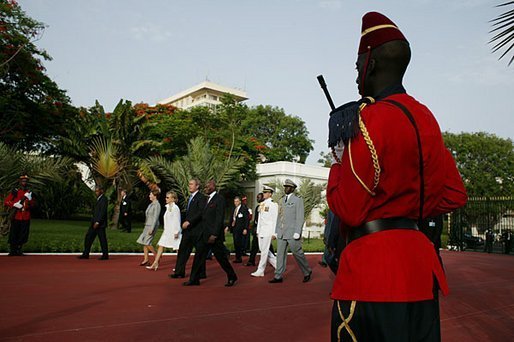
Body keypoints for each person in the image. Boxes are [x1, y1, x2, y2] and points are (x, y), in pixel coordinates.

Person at [326, 12, 467, 341]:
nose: (357, 73)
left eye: (358, 64)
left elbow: (349, 208)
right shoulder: (425, 117)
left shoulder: (369, 119)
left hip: (372, 271)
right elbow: (454, 195)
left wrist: (338, 164)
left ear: (370, 63)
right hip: (420, 268)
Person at [184, 179, 238, 287]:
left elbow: (219, 218)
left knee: (221, 258)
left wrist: (214, 234)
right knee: (198, 256)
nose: (205, 188)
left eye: (207, 186)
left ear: (213, 186)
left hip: (214, 236)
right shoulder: (206, 199)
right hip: (204, 234)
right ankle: (194, 279)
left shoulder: (219, 199)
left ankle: (232, 276)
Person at [270, 179, 312, 283]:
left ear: (293, 188)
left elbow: (300, 217)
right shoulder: (282, 200)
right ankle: (278, 276)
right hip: (281, 232)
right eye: (285, 186)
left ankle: (307, 271)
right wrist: (276, 231)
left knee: (297, 253)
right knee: (280, 254)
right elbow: (279, 217)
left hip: (292, 232)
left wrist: (298, 231)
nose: (285, 189)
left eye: (288, 187)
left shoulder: (297, 200)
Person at [170, 179, 206, 279]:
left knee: (200, 253)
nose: (189, 186)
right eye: (189, 184)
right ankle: (179, 272)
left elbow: (200, 212)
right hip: (188, 231)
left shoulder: (201, 198)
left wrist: (190, 221)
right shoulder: (190, 198)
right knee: (183, 251)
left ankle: (201, 273)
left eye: (191, 184)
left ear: (197, 186)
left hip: (197, 230)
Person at [147, 191, 181, 271]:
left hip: (174, 232)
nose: (166, 199)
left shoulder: (175, 208)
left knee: (177, 249)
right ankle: (155, 263)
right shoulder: (168, 207)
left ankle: (179, 266)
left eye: (168, 197)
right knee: (161, 246)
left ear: (173, 199)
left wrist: (176, 232)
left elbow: (177, 220)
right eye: (166, 197)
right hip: (167, 231)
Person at [4, 175, 35, 256]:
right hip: (16, 215)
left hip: (25, 216)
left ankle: (19, 249)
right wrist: (14, 204)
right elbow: (6, 201)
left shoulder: (29, 192)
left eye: (25, 181)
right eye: (23, 181)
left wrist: (30, 199)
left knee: (23, 233)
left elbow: (32, 205)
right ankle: (12, 250)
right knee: (14, 232)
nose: (24, 182)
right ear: (20, 182)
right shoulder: (15, 191)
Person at [251, 186, 278, 277]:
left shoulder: (273, 205)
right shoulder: (262, 204)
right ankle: (278, 265)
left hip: (268, 231)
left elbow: (275, 219)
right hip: (261, 231)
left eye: (266, 192)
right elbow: (260, 219)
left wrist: (275, 233)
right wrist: (258, 231)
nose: (264, 194)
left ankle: (260, 270)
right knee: (263, 250)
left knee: (264, 252)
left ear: (270, 194)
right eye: (264, 192)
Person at [78, 184, 109, 260]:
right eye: (95, 191)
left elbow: (102, 212)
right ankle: (86, 253)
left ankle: (105, 255)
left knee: (102, 239)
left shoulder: (104, 199)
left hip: (99, 224)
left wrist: (98, 222)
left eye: (97, 191)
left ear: (101, 191)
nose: (96, 192)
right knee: (88, 237)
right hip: (94, 223)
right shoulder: (98, 199)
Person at [245, 192, 275, 266]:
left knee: (267, 247)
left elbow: (270, 219)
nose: (257, 199)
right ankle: (251, 261)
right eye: (257, 197)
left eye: (259, 197)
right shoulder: (258, 207)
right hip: (258, 229)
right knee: (255, 245)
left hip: (265, 230)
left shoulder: (269, 205)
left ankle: (274, 261)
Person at [136, 189, 161, 266]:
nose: (149, 196)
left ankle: (157, 256)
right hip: (147, 225)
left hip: (152, 226)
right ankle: (146, 259)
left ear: (155, 196)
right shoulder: (151, 204)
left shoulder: (157, 205)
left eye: (151, 194)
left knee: (147, 242)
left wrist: (152, 228)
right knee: (144, 242)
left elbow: (155, 217)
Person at [228, 196, 250, 263]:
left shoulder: (243, 209)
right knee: (236, 243)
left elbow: (246, 219)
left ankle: (239, 257)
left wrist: (245, 228)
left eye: (237, 201)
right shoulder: (234, 209)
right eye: (234, 201)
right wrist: (228, 226)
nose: (235, 203)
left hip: (240, 228)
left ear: (240, 201)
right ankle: (237, 257)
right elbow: (231, 218)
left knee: (239, 243)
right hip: (235, 228)